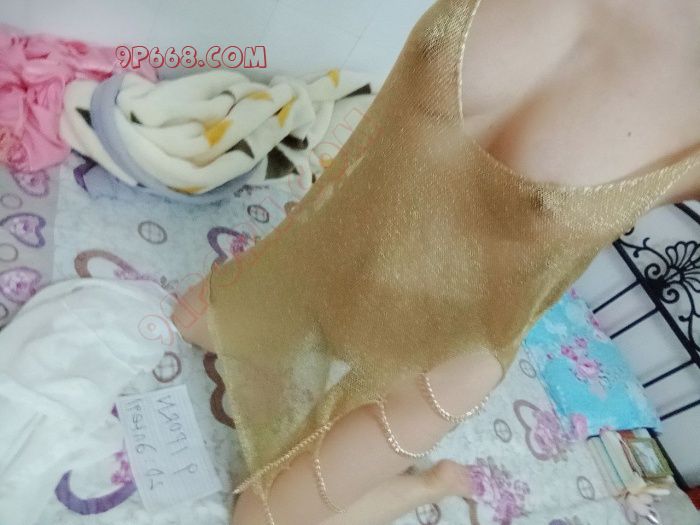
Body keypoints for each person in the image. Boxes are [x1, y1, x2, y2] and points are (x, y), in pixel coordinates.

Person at [172, 0, 700, 524]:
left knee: (255, 522)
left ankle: (430, 485)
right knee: (186, 322)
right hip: (342, 264)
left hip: (437, 364)